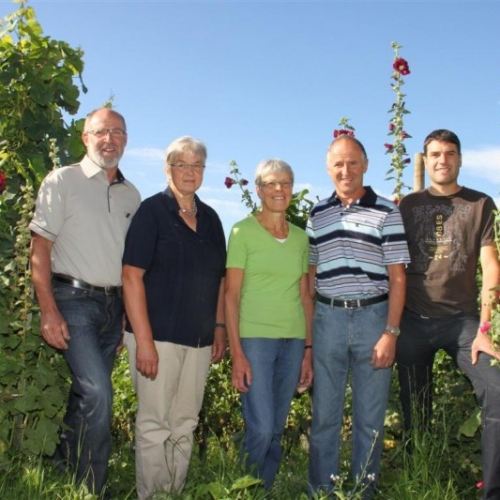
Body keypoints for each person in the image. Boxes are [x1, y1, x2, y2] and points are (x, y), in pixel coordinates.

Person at [29, 108, 141, 497]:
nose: (109, 139)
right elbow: (40, 247)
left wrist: (128, 311)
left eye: (117, 132)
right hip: (72, 300)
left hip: (114, 307)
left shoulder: (133, 195)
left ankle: (64, 465)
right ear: (85, 137)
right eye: (100, 132)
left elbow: (131, 263)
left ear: (126, 139)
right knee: (98, 391)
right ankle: (91, 486)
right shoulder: (62, 180)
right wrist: (48, 309)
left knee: (85, 395)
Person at [395, 129, 500, 499]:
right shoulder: (406, 205)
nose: (443, 160)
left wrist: (485, 328)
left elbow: (490, 266)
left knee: (497, 391)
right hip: (413, 321)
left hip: (463, 323)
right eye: (435, 154)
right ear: (426, 159)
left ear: (459, 158)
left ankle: (492, 491)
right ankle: (419, 481)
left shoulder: (481, 204)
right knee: (415, 411)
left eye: (450, 153)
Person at [122, 136, 226, 499]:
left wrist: (219, 328)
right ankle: (151, 495)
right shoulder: (152, 212)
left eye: (196, 165)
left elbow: (219, 280)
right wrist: (144, 341)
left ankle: (173, 492)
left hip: (199, 340)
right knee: (154, 424)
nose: (189, 171)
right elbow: (131, 276)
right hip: (157, 338)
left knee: (185, 423)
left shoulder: (211, 219)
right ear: (167, 169)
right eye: (181, 164)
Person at [307, 135, 409, 497]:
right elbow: (311, 276)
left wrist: (390, 332)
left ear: (365, 165)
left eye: (352, 162)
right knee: (324, 418)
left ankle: (364, 491)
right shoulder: (317, 213)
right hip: (328, 319)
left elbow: (398, 277)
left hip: (373, 320)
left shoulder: (387, 211)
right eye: (338, 163)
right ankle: (321, 490)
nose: (345, 170)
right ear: (328, 168)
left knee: (369, 419)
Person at [225, 159, 314, 490]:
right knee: (261, 426)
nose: (280, 189)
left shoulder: (301, 239)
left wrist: (307, 350)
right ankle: (244, 487)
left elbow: (306, 296)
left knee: (276, 426)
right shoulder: (242, 232)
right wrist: (237, 353)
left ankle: (264, 487)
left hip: (293, 341)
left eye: (286, 183)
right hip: (255, 340)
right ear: (259, 189)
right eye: (272, 183)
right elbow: (231, 295)